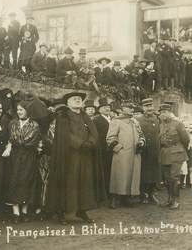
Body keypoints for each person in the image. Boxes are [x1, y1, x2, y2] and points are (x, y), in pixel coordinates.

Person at [46, 92, 106, 224]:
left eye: (79, 99)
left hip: (86, 156)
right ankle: (62, 212)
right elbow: (65, 136)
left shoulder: (85, 116)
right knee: (69, 182)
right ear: (68, 103)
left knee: (85, 182)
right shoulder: (63, 117)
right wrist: (80, 144)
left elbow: (93, 132)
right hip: (69, 156)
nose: (78, 100)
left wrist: (90, 142)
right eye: (74, 99)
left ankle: (82, 210)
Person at [5, 99, 41, 223]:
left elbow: (31, 141)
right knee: (14, 180)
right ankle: (16, 212)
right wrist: (13, 144)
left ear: (28, 111)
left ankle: (24, 211)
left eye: (21, 109)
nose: (19, 112)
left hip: (28, 156)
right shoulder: (12, 123)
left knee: (27, 181)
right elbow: (10, 138)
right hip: (14, 157)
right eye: (18, 110)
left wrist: (17, 142)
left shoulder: (34, 125)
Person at [107, 102, 145, 209]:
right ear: (123, 109)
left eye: (132, 108)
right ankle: (115, 198)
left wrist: (141, 142)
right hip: (122, 154)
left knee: (131, 176)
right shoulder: (116, 121)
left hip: (134, 154)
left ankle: (126, 197)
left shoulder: (134, 121)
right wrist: (119, 147)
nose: (131, 110)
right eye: (128, 108)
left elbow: (141, 135)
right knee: (119, 175)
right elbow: (110, 137)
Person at [159, 104, 190, 210]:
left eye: (165, 112)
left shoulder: (178, 124)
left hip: (177, 153)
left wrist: (179, 149)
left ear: (170, 112)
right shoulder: (161, 124)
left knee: (174, 177)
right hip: (164, 153)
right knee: (167, 178)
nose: (163, 115)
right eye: (161, 112)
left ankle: (176, 200)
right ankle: (170, 199)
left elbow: (186, 139)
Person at [136, 98, 161, 204]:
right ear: (143, 108)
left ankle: (151, 194)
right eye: (146, 106)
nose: (149, 108)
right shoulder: (137, 119)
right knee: (143, 172)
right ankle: (143, 194)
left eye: (150, 106)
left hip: (155, 150)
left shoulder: (158, 119)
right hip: (143, 151)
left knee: (154, 172)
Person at [92, 98, 112, 197]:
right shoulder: (96, 120)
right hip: (102, 148)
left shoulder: (113, 119)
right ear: (100, 110)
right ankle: (102, 193)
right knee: (103, 170)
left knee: (111, 170)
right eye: (104, 107)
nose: (107, 109)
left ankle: (110, 191)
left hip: (112, 149)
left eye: (108, 107)